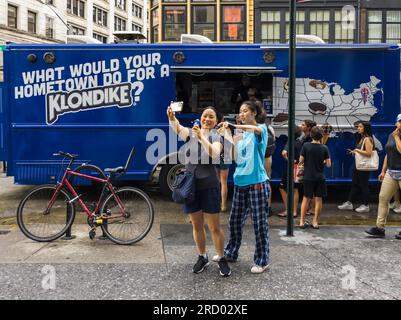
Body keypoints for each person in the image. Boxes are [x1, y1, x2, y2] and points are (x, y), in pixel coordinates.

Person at [167, 106, 232, 276]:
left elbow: (214, 153)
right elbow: (178, 128)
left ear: (216, 121)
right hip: (190, 186)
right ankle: (202, 256)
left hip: (209, 185)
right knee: (196, 225)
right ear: (201, 117)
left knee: (214, 227)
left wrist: (202, 136)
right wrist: (172, 117)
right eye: (205, 116)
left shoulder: (218, 136)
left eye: (211, 117)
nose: (207, 119)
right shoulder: (191, 133)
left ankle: (221, 257)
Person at [218, 100, 270, 274]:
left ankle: (262, 260)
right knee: (234, 222)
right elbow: (234, 157)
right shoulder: (239, 132)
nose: (242, 114)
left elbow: (255, 130)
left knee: (259, 224)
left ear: (254, 113)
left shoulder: (261, 129)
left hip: (257, 183)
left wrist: (232, 125)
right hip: (240, 182)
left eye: (245, 111)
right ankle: (231, 252)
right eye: (240, 111)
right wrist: (227, 134)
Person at [365, 114, 401, 239]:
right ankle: (380, 228)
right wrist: (383, 170)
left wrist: (397, 137)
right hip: (391, 171)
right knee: (383, 198)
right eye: (399, 122)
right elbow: (388, 153)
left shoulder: (395, 136)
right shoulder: (392, 135)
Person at [299, 126, 331, 229]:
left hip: (308, 176)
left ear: (311, 135)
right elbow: (328, 164)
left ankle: (302, 221)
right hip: (320, 177)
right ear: (321, 136)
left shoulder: (306, 146)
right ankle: (315, 221)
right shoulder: (324, 148)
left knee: (306, 198)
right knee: (318, 199)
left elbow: (301, 160)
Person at [338, 121, 375, 213]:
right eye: (358, 127)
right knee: (355, 183)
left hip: (364, 166)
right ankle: (349, 203)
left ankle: (366, 205)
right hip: (359, 165)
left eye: (360, 127)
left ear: (365, 128)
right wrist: (354, 152)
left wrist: (357, 151)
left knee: (364, 185)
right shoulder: (362, 138)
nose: (358, 128)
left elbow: (369, 153)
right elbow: (362, 151)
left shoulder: (367, 139)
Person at [278, 125, 303, 218]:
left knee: (282, 187)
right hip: (299, 167)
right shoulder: (300, 142)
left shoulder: (290, 142)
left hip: (291, 167)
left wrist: (287, 159)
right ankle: (294, 211)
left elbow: (283, 153)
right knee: (295, 189)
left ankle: (288, 210)